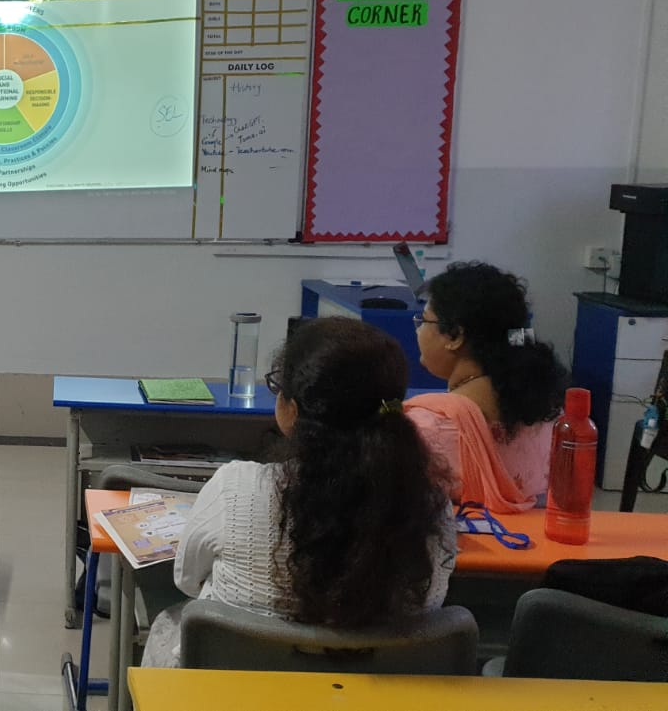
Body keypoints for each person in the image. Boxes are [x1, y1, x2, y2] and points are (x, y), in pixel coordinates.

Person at [142, 317, 456, 667]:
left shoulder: (235, 489)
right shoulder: (431, 505)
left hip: (240, 684)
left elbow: (186, 579)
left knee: (170, 623)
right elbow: (434, 597)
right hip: (377, 687)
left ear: (292, 410)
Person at [405, 262, 568, 512]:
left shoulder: (426, 428)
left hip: (466, 537)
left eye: (423, 321)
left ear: (455, 336)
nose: (418, 332)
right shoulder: (551, 412)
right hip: (535, 532)